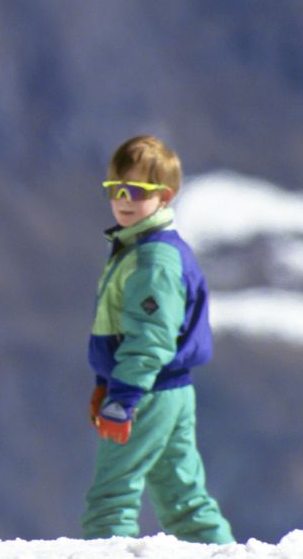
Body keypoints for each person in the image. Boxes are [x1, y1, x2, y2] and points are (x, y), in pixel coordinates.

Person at [83, 136, 233, 543]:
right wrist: (105, 385)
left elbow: (150, 339)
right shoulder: (138, 248)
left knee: (111, 497)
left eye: (136, 191)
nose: (123, 200)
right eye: (115, 190)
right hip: (168, 389)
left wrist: (123, 396)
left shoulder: (153, 259)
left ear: (164, 196)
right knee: (183, 498)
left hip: (147, 391)